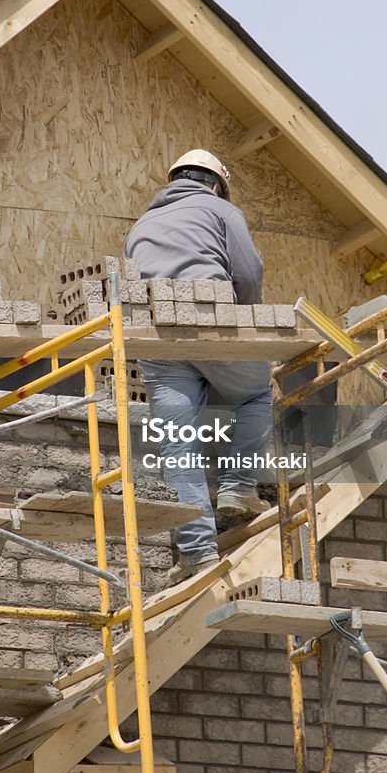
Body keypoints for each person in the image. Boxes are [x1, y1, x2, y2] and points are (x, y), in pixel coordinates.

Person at [124, 149, 272, 584]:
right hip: (212, 324)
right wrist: (247, 328)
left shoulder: (140, 227)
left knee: (178, 445)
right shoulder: (220, 209)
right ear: (214, 183)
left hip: (158, 340)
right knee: (257, 393)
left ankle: (197, 554)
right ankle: (237, 486)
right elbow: (248, 273)